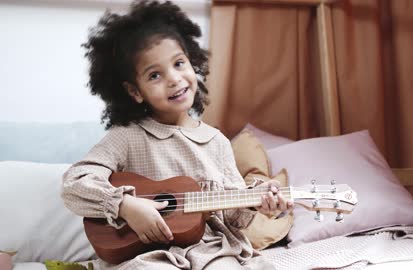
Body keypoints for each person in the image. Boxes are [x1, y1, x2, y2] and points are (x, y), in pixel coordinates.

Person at [61, 1, 293, 269]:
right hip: (146, 254)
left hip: (212, 251)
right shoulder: (127, 137)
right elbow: (74, 184)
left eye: (179, 63)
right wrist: (126, 205)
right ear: (135, 92)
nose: (173, 79)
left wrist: (257, 202)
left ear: (192, 63)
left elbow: (231, 216)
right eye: (155, 75)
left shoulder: (216, 142)